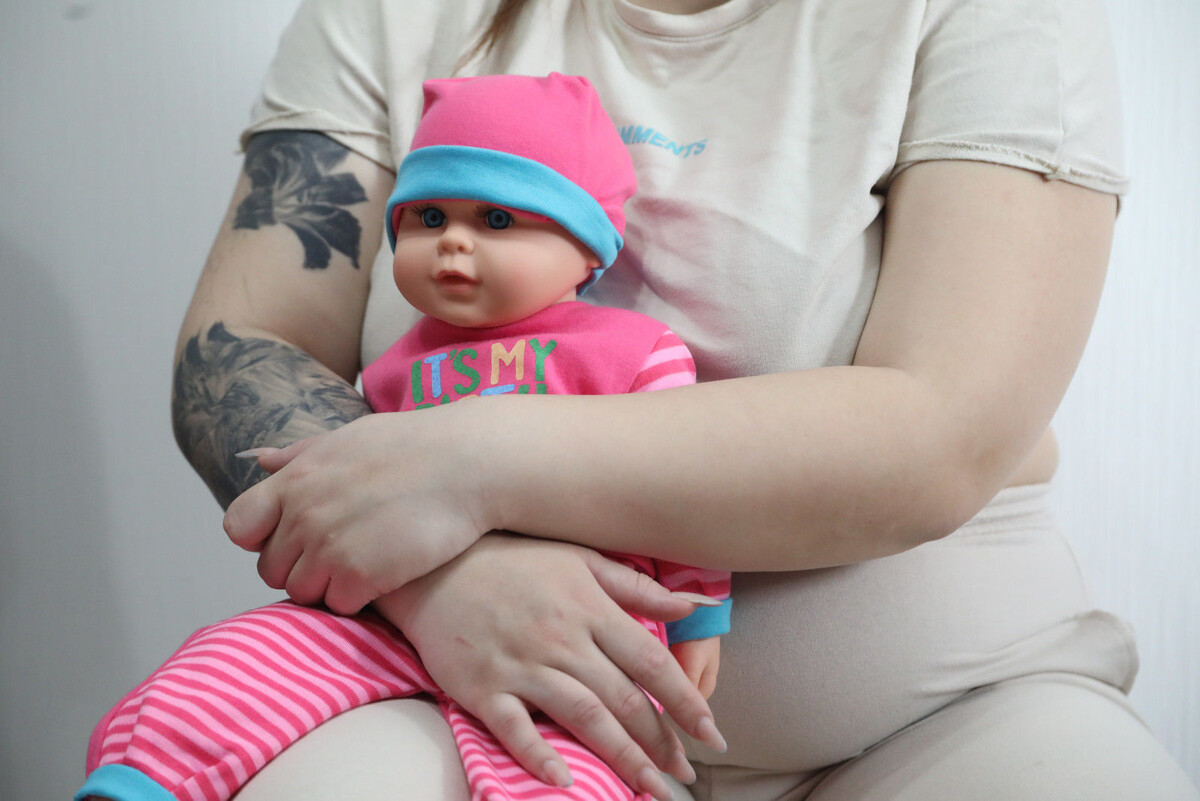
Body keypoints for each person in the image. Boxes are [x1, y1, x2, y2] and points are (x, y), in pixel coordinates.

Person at [113, 0, 1200, 799]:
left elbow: (940, 435)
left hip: (947, 718)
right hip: (459, 694)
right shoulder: (388, 12)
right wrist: (443, 580)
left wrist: (467, 467)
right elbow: (240, 348)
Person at [76, 72, 731, 801]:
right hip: (392, 620)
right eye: (427, 217)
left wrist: (700, 613)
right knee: (239, 657)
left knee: (554, 766)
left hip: (576, 636)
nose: (452, 241)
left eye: (497, 219)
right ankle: (146, 777)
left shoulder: (634, 353)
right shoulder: (391, 372)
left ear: (588, 247)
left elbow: (687, 492)